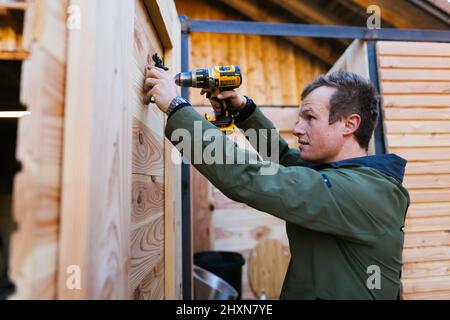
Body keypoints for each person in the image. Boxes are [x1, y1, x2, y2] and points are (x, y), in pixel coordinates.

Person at [144, 67, 410, 300]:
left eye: (310, 118)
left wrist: (177, 108)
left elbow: (249, 177)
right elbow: (283, 159)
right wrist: (244, 111)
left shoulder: (363, 192)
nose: (297, 128)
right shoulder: (341, 176)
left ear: (349, 124)